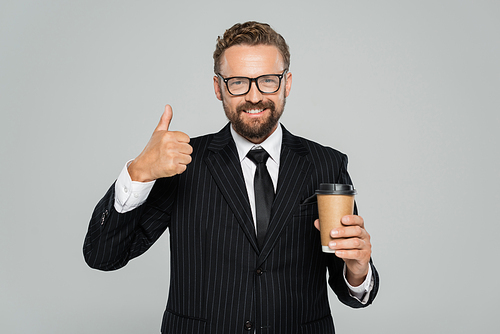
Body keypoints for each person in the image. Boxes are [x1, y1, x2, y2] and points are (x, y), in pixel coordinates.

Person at [84, 21, 379, 334]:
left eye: (268, 80)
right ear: (218, 87)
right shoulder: (184, 163)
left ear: (287, 83)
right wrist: (140, 171)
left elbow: (353, 291)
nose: (254, 96)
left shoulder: (326, 164)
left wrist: (358, 270)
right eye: (238, 82)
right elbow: (104, 255)